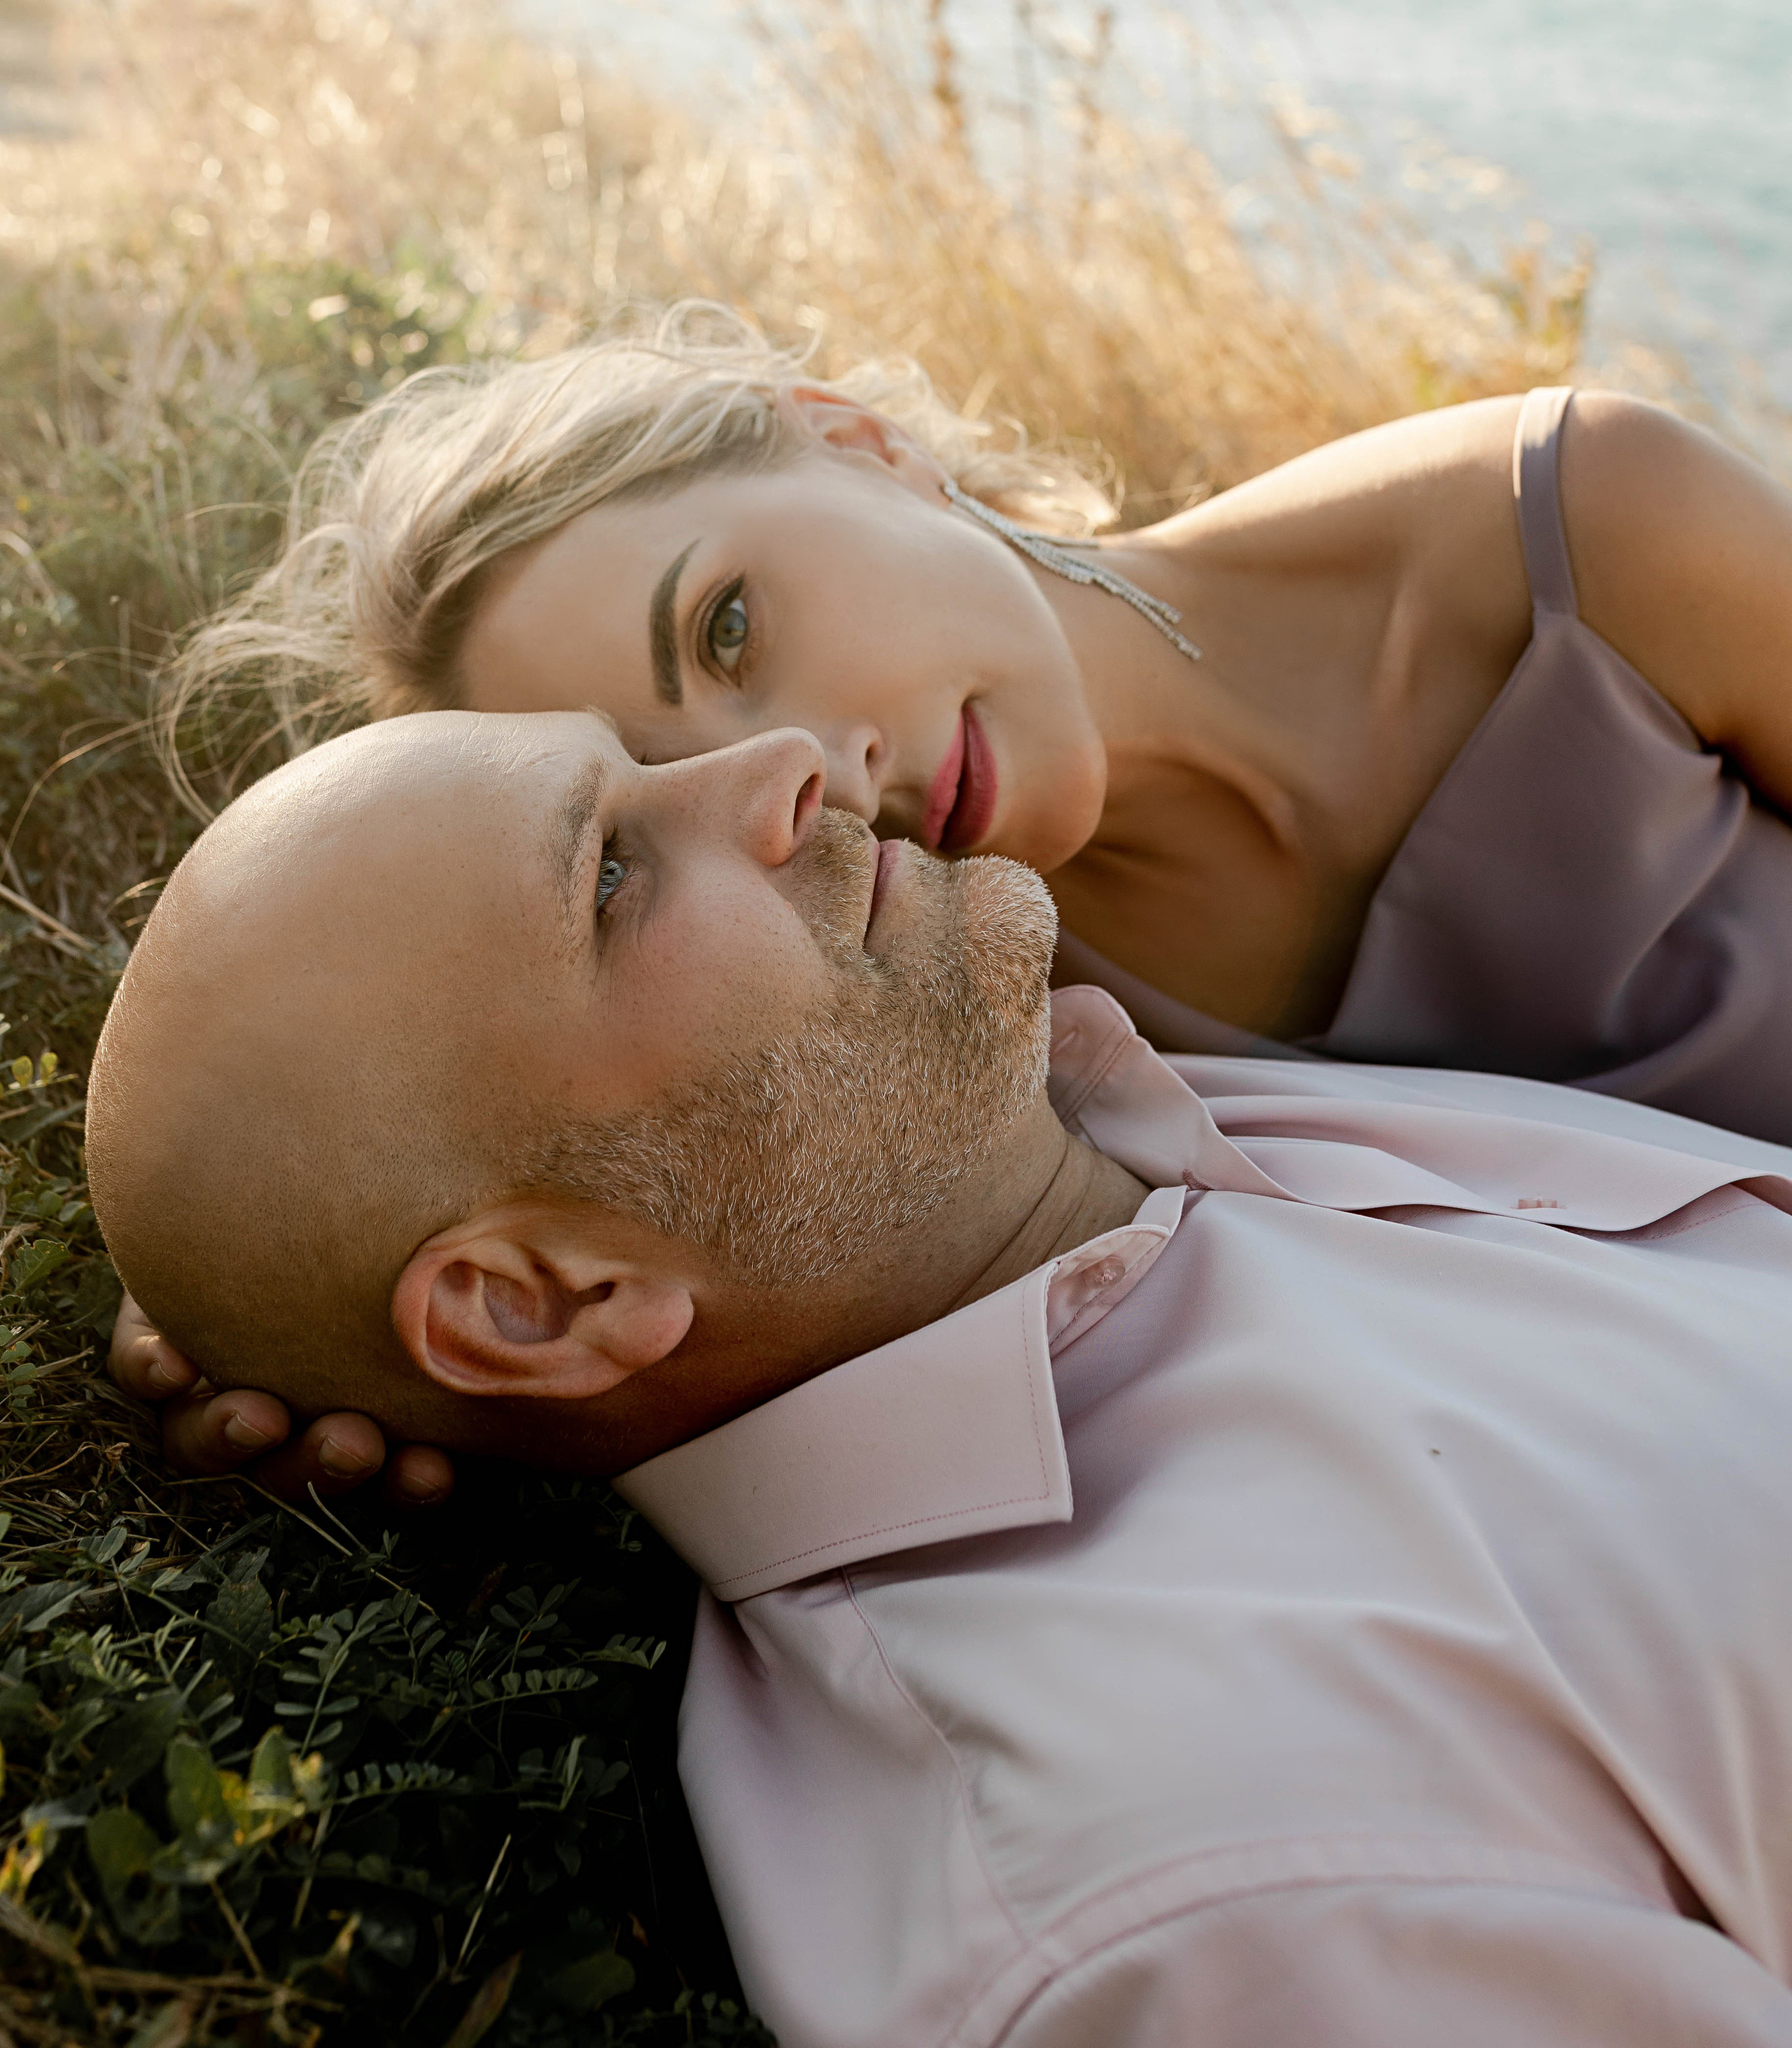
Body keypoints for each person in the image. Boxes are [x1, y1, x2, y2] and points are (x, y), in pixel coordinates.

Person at [90, 708, 1792, 2044]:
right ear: (550, 1304)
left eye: (645, 753)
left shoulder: (1047, 1109)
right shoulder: (1189, 1880)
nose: (785, 760)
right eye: (612, 872)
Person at [111, 307, 1792, 1501]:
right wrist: (284, 1284)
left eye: (725, 631)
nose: (804, 786)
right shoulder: (948, 1024)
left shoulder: (1582, 531)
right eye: (653, 793)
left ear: (855, 439)